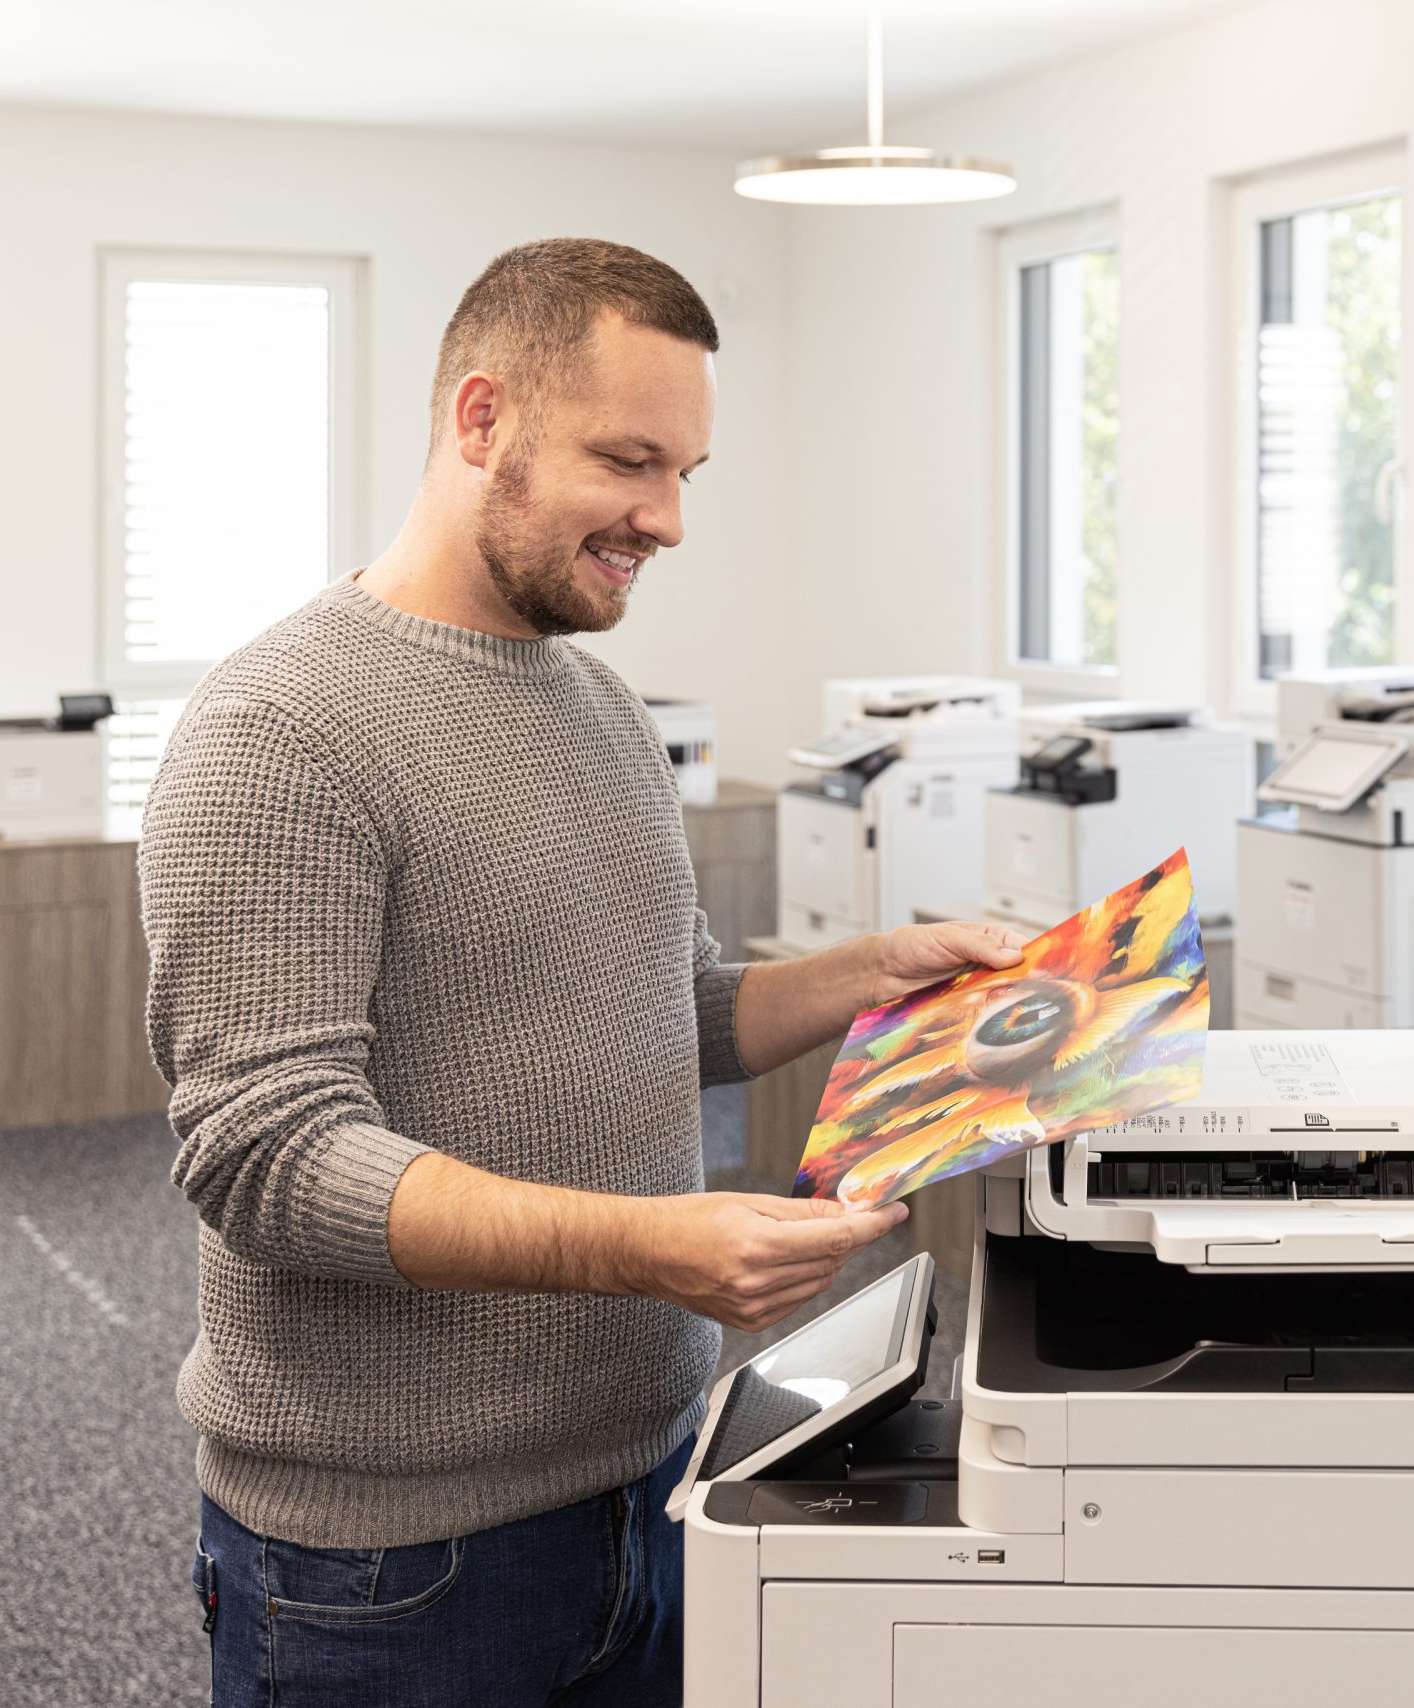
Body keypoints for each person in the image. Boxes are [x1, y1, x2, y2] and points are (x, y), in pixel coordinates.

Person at [138, 237, 1025, 1708]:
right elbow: (267, 1159)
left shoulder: (601, 707)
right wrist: (648, 1245)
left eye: (688, 472)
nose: (668, 519)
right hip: (394, 1568)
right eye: (630, 460)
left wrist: (883, 970)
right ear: (481, 423)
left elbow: (666, 1011)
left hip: (651, 1484)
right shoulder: (281, 729)